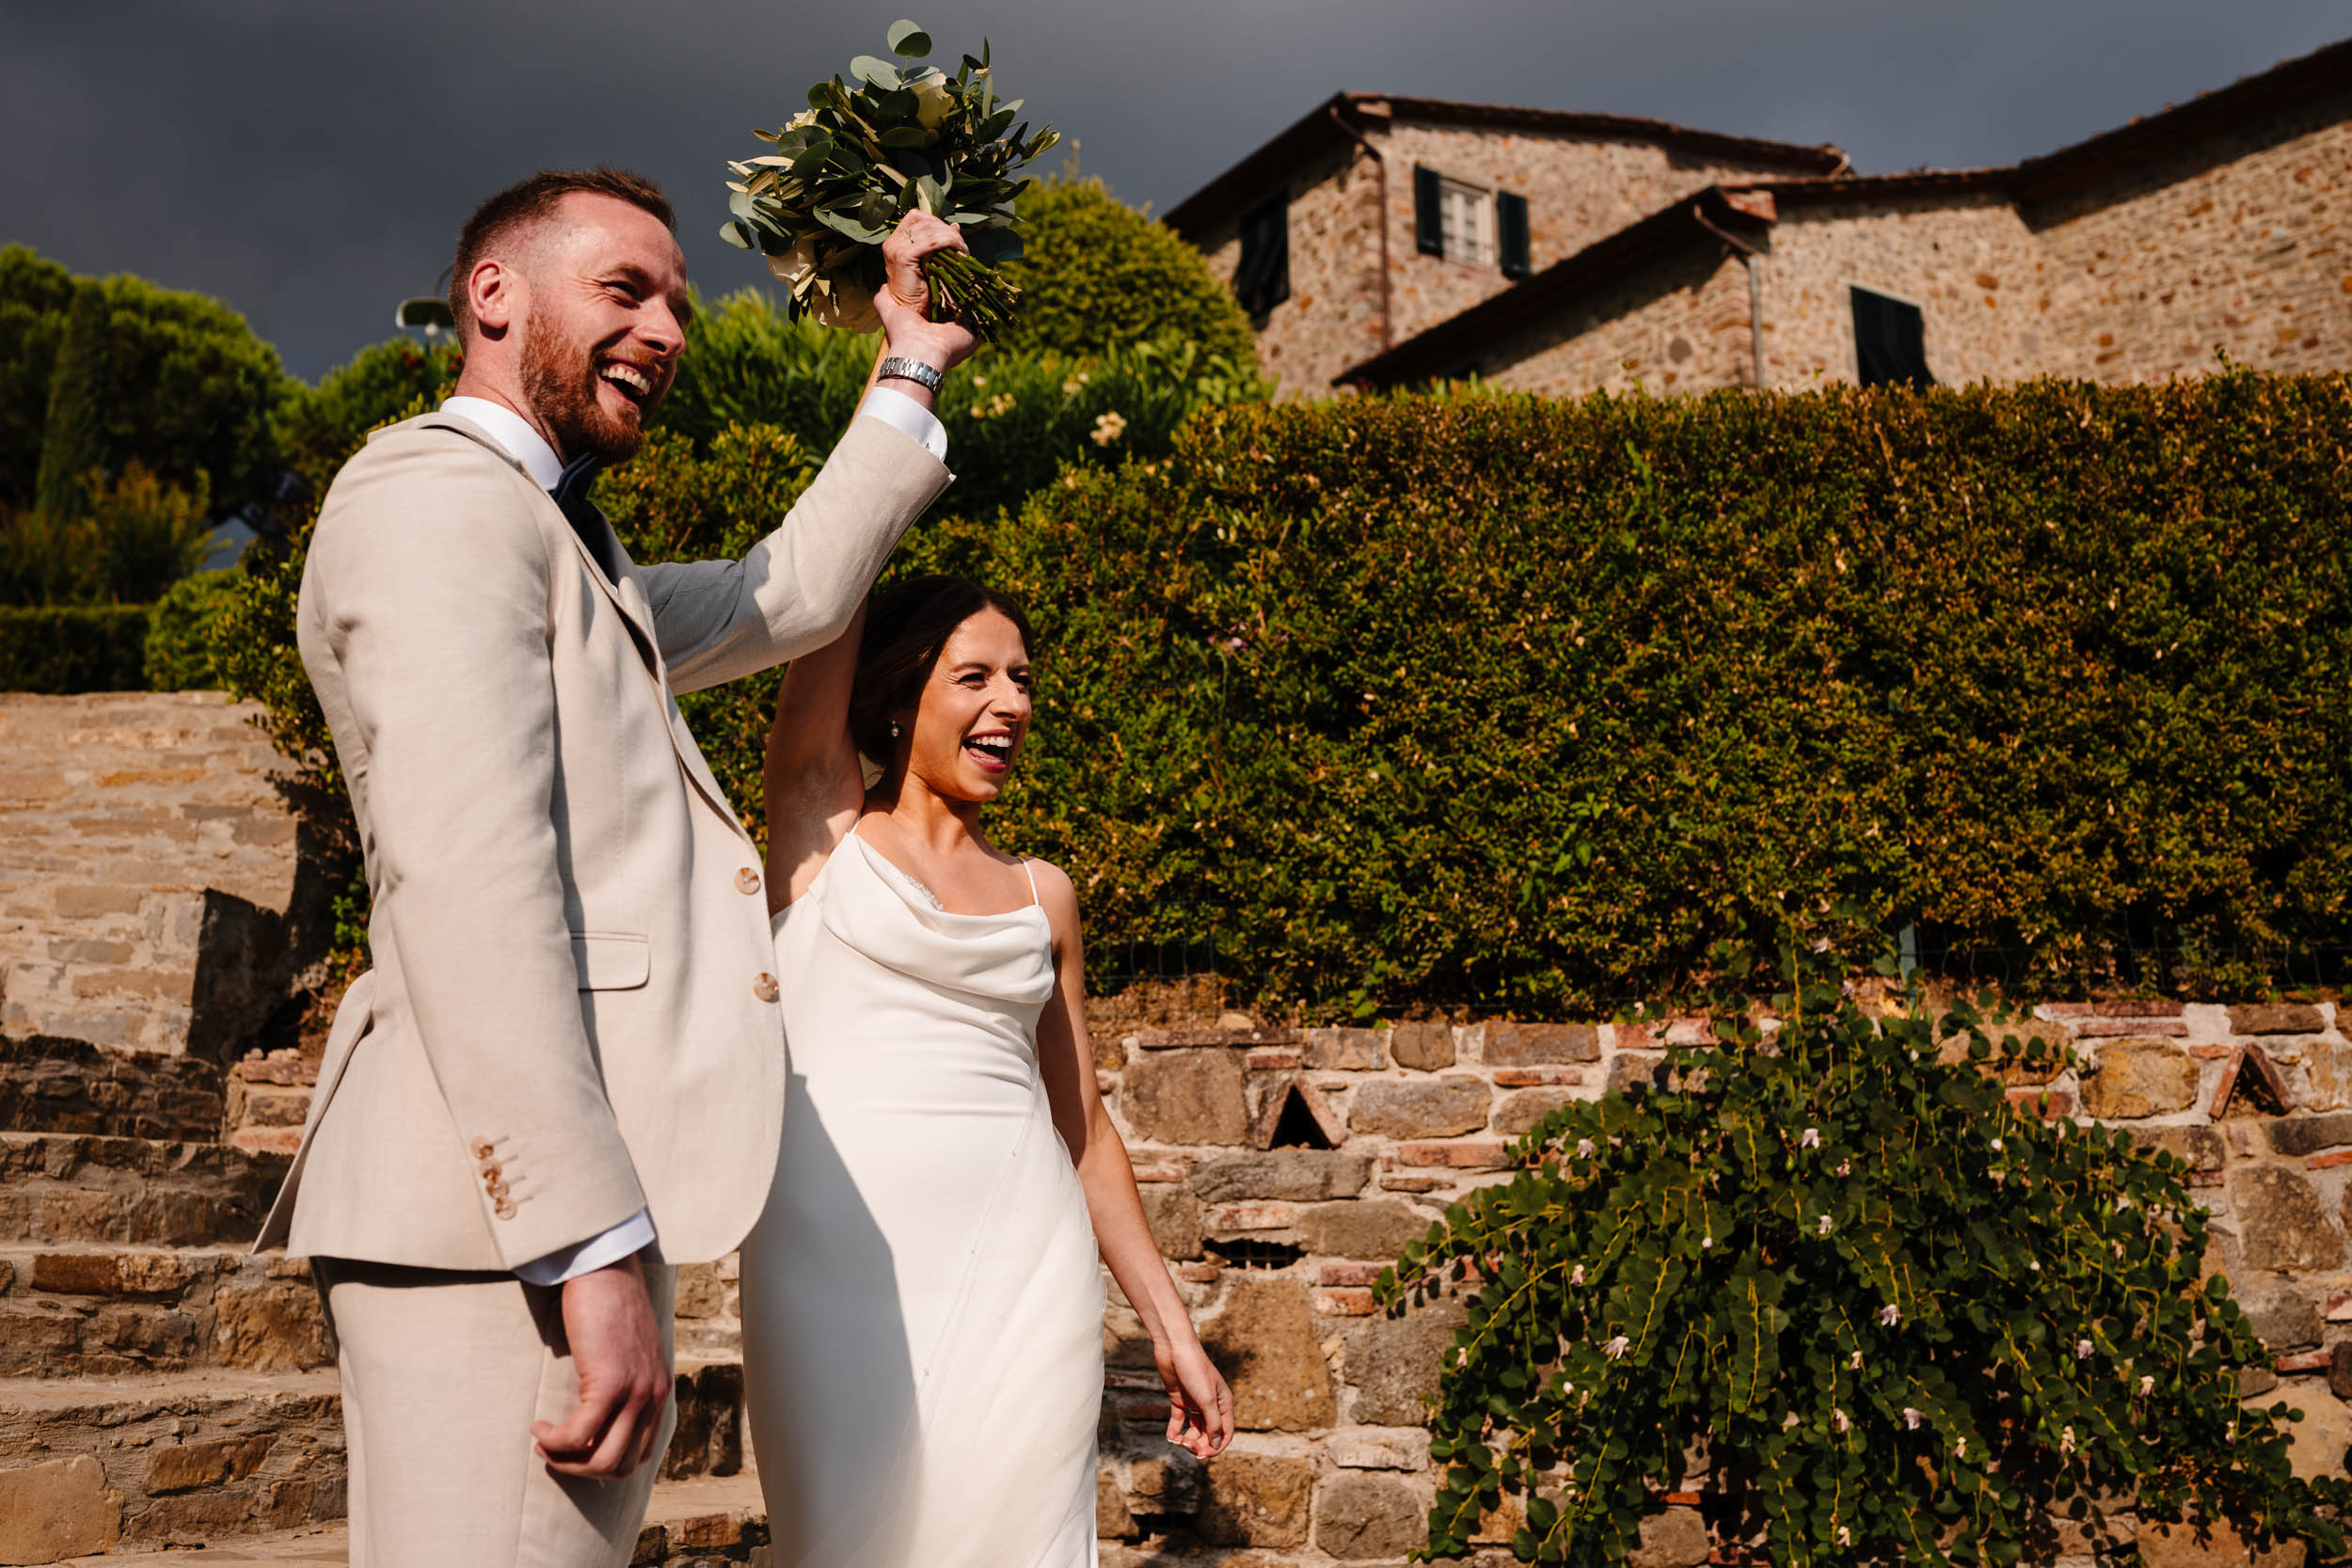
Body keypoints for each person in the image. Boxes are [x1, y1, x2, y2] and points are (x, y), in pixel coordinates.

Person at [252, 166, 979, 1566]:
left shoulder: (574, 552)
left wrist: (910, 363)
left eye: (680, 305)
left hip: (526, 1218)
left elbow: (798, 592)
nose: (667, 329)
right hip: (504, 1221)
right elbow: (471, 877)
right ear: (493, 296)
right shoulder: (433, 499)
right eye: (625, 290)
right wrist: (584, 1238)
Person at [744, 574, 1234, 1568]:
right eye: (975, 675)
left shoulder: (1040, 895)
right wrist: (894, 442)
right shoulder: (819, 834)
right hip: (830, 1267)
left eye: (1021, 678)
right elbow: (823, 583)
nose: (1011, 701)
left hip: (1026, 1266)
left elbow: (1084, 1130)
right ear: (895, 696)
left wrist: (1171, 1326)